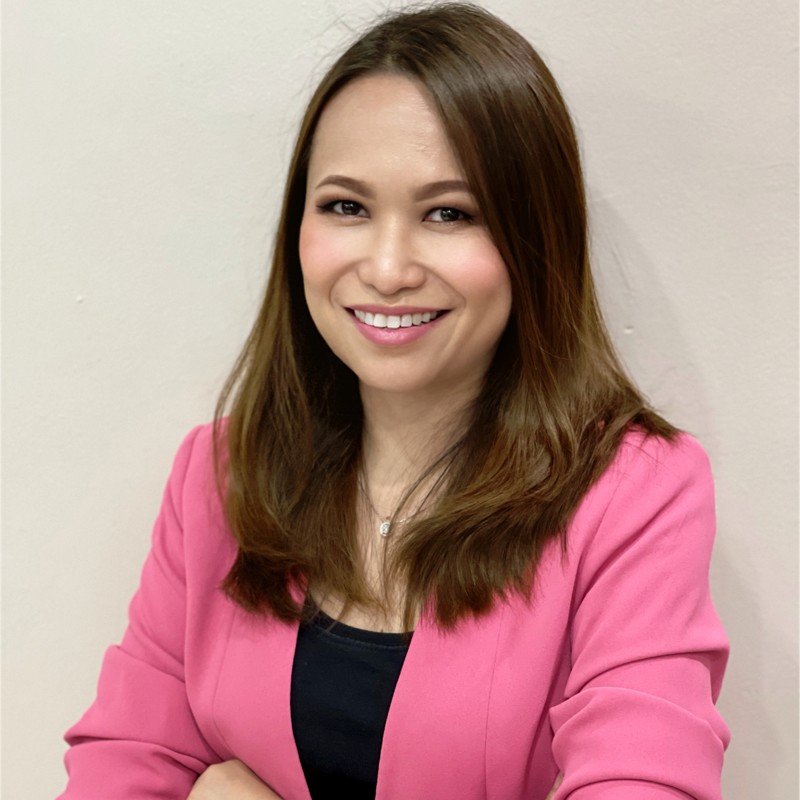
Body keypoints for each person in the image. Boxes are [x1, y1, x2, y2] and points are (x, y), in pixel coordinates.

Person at [58, 3, 730, 799]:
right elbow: (124, 765)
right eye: (346, 206)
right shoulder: (220, 475)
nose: (386, 267)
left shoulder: (634, 494)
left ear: (533, 238)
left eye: (450, 213)